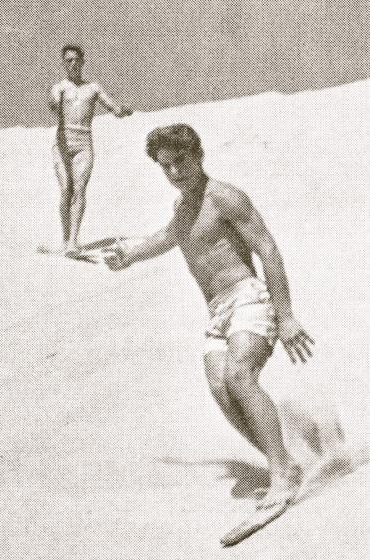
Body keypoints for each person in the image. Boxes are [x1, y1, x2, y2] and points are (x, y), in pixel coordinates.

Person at [105, 124, 314, 511]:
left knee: (239, 375)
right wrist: (131, 255)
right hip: (217, 310)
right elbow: (169, 236)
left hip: (248, 297)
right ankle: (283, 462)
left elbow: (268, 249)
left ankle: (282, 474)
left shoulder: (225, 198)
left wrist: (286, 317)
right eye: (165, 166)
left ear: (198, 156)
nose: (174, 172)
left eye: (180, 161)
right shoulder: (182, 207)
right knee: (220, 387)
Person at [44, 45, 132, 256]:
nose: (73, 64)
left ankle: (73, 242)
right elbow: (53, 104)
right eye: (68, 60)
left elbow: (112, 107)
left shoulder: (93, 88)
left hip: (84, 144)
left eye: (76, 60)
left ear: (83, 62)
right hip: (62, 144)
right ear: (63, 63)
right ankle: (65, 239)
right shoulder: (59, 88)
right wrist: (55, 102)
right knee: (66, 190)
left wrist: (121, 111)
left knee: (80, 188)